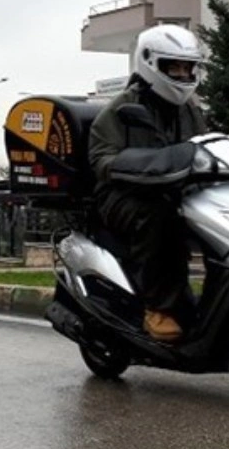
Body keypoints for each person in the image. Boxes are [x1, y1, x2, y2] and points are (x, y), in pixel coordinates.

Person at [88, 25, 209, 341]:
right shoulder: (120, 109)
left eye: (187, 67)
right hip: (122, 196)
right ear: (151, 64)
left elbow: (205, 145)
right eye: (175, 67)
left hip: (173, 192)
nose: (183, 74)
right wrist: (135, 164)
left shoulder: (190, 111)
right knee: (161, 218)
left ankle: (205, 303)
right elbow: (103, 160)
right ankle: (157, 308)